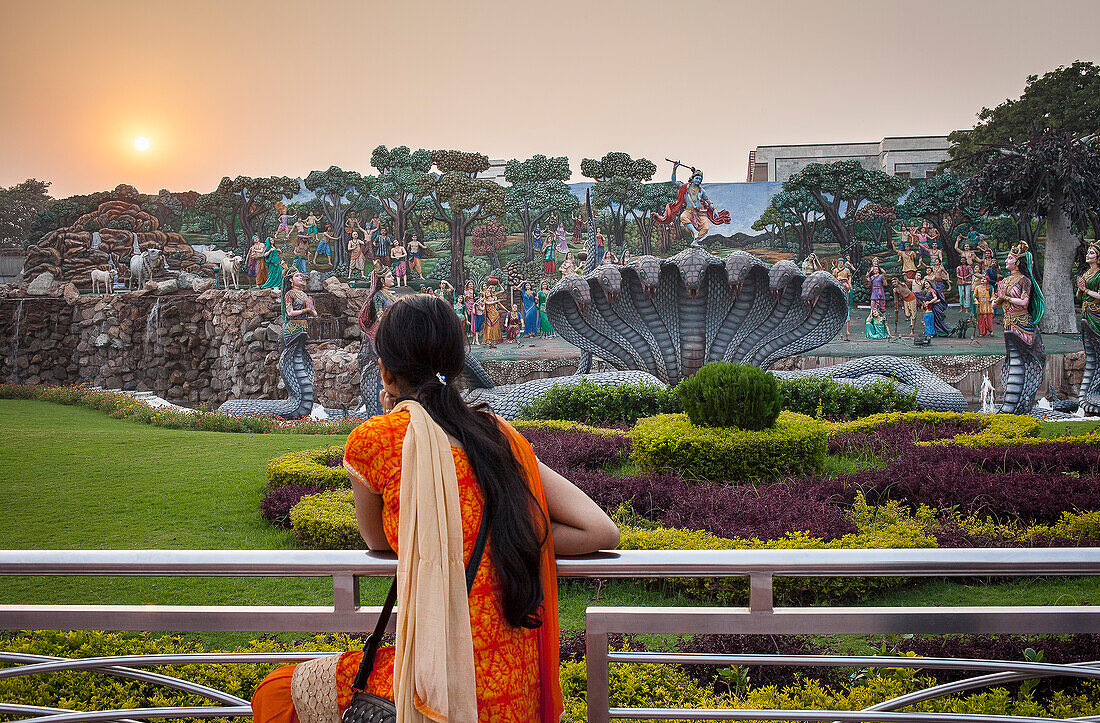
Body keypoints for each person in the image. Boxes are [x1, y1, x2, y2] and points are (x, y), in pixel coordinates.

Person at [251, 294, 617, 723]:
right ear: (458, 363)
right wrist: (504, 526)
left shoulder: (376, 440)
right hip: (513, 687)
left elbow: (376, 541)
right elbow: (600, 530)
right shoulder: (497, 437)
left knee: (277, 696)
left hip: (436, 682)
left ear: (385, 370)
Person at [1075, 242, 1100, 414]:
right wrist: (1080, 289)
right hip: (1086, 312)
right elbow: (1079, 296)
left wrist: (1087, 291)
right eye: (1088, 252)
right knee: (1090, 351)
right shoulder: (1086, 273)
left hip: (1097, 314)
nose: (1088, 255)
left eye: (1091, 253)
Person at [283, 270, 317, 339]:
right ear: (291, 280)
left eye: (301, 276)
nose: (300, 277)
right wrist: (306, 310)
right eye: (297, 276)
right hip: (292, 329)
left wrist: (311, 310)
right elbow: (290, 313)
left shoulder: (305, 295)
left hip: (304, 327)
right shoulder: (290, 294)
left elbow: (315, 314)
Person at [833, 257, 853, 339]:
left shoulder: (847, 270)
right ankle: (838, 330)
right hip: (838, 285)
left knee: (846, 308)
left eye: (841, 262)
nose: (840, 264)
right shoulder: (835, 270)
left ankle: (847, 330)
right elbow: (833, 278)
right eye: (839, 262)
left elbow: (849, 277)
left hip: (845, 284)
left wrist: (848, 282)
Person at [973, 271, 994, 337]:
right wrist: (976, 300)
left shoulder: (990, 287)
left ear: (987, 281)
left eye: (984, 279)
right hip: (980, 305)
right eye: (981, 279)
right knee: (981, 319)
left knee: (988, 319)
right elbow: (974, 295)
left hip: (988, 305)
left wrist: (992, 299)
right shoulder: (977, 287)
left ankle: (990, 330)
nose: (982, 280)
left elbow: (993, 295)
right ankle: (982, 332)